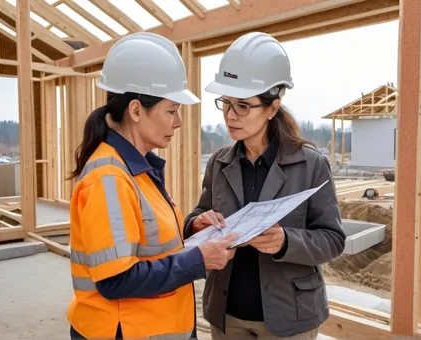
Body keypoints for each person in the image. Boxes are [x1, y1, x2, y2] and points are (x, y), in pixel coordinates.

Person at [67, 32, 237, 340]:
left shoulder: (135, 168)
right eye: (171, 110)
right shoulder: (109, 178)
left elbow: (145, 241)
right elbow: (115, 280)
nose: (178, 122)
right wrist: (197, 260)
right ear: (135, 111)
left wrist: (191, 230)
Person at [183, 32, 346, 339]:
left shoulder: (311, 164)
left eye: (243, 106)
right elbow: (199, 216)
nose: (230, 116)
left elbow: (333, 240)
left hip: (289, 317)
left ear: (272, 108)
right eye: (226, 104)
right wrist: (196, 224)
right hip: (227, 313)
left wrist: (285, 241)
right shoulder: (219, 163)